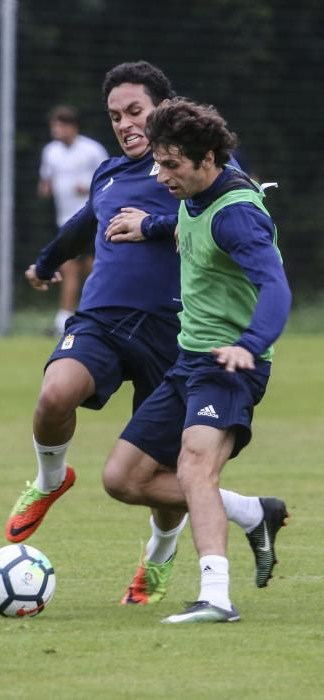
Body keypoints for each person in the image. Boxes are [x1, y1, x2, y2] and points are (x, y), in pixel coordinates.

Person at [4, 61, 288, 605]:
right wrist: (45, 263)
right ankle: (49, 479)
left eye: (135, 111)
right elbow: (84, 225)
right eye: (115, 116)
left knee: (159, 475)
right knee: (56, 392)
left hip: (176, 334)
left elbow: (222, 219)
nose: (126, 124)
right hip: (104, 319)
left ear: (163, 109)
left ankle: (160, 560)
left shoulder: (197, 170)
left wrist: (250, 341)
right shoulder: (112, 173)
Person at [102, 97, 292, 623]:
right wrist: (152, 226)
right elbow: (191, 224)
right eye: (158, 163)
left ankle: (216, 597)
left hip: (231, 365)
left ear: (208, 159)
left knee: (193, 464)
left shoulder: (238, 217)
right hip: (188, 361)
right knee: (123, 478)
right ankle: (252, 512)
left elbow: (276, 288)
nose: (161, 174)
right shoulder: (195, 192)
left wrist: (249, 345)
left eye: (171, 165)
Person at [38, 105, 109, 335]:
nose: (56, 130)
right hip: (65, 220)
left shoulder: (92, 150)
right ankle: (66, 320)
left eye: (61, 125)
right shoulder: (50, 152)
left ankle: (96, 313)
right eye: (54, 125)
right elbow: (46, 179)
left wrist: (87, 188)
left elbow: (108, 182)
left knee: (93, 269)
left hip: (91, 219)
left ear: (73, 126)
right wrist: (45, 188)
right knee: (69, 270)